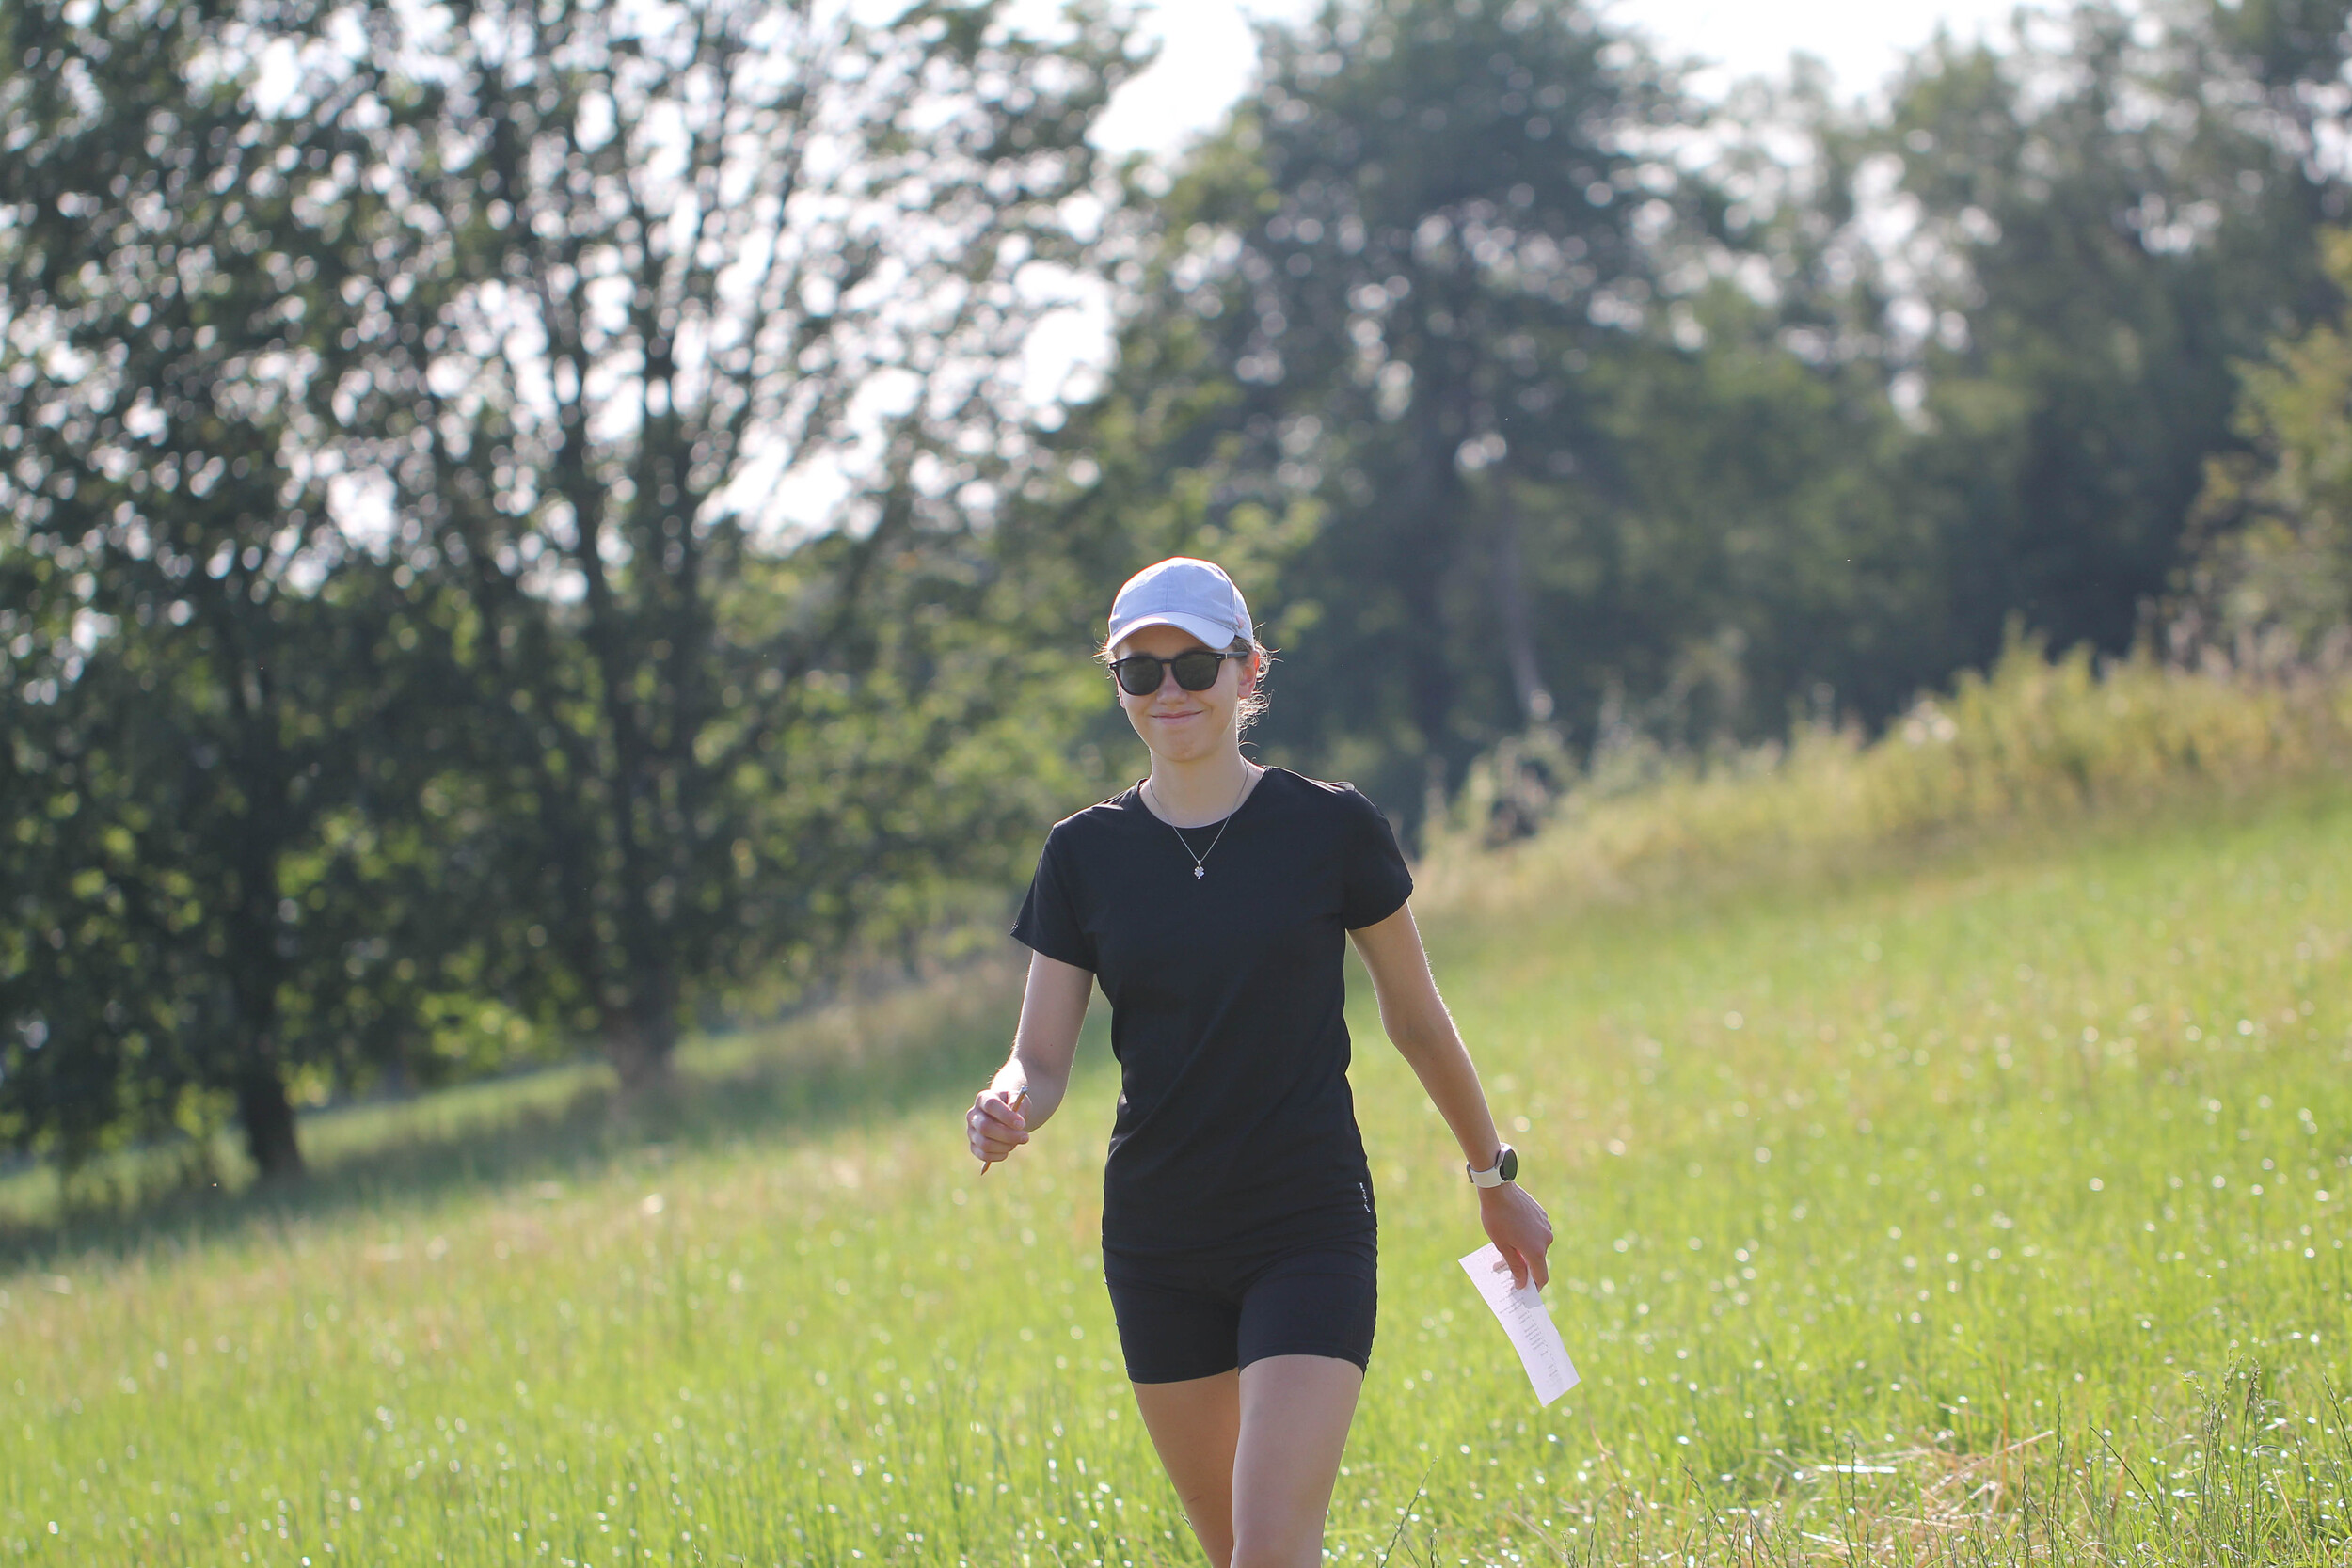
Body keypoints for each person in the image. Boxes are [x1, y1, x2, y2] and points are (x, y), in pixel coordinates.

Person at [964, 557, 1554, 1568]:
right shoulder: (1082, 854)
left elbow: (1416, 1019)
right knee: (1238, 1551)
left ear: (1247, 671)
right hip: (1157, 1243)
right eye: (1140, 671)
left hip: (1306, 1226)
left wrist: (1492, 1176)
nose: (1170, 691)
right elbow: (1040, 1058)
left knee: (1271, 1552)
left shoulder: (1329, 827)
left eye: (1194, 665)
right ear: (1118, 686)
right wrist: (1005, 1100)